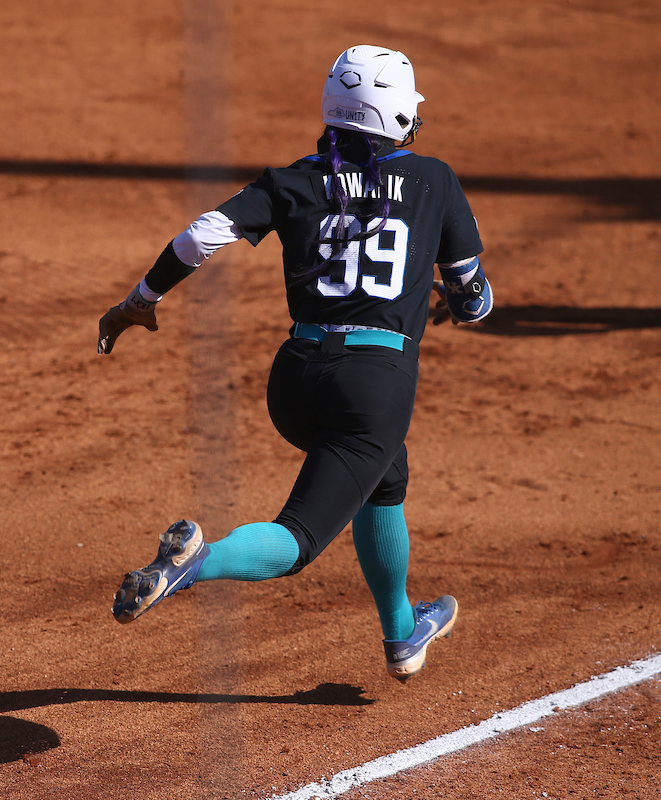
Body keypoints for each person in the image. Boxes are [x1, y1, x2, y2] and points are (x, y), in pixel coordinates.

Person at [96, 45, 493, 681]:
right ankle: (193, 564)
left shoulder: (293, 180)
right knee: (298, 541)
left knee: (384, 479)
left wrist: (138, 300)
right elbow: (474, 301)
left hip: (295, 380)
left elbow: (199, 237)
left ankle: (402, 637)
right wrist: (450, 298)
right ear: (397, 117)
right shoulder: (435, 179)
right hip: (373, 388)